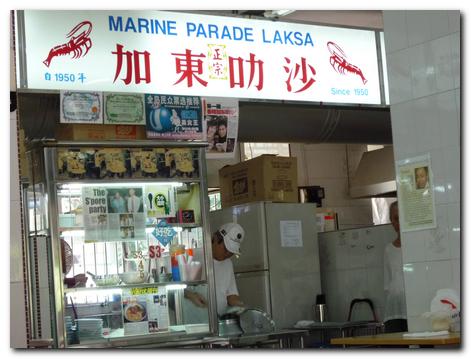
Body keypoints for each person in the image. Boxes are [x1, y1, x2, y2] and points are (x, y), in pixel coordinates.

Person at [185, 223, 245, 316]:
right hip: (194, 320)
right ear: (215, 238)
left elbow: (231, 296)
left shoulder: (228, 264)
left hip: (219, 321)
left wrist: (244, 309)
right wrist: (190, 295)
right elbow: (174, 291)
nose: (228, 254)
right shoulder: (192, 257)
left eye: (231, 252)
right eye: (226, 249)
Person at [383, 201, 408, 333]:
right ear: (391, 221)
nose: (399, 222)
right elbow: (387, 283)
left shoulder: (414, 246)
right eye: (395, 218)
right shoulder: (388, 250)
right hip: (394, 311)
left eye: (401, 217)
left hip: (414, 308)